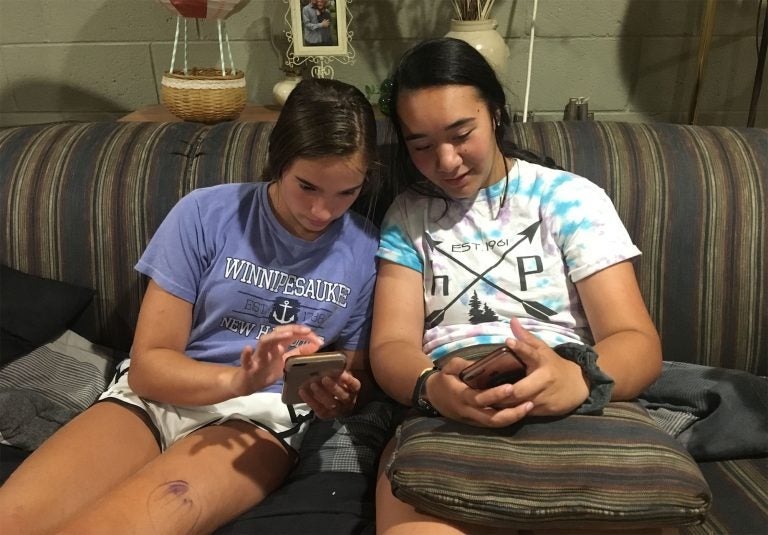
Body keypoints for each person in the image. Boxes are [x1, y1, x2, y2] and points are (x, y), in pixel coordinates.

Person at [0, 77, 380, 535]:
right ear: (279, 161)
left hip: (258, 418)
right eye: (307, 187)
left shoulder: (364, 249)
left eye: (347, 193)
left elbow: (353, 376)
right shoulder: (205, 213)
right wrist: (239, 376)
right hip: (160, 396)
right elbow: (149, 368)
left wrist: (336, 394)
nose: (323, 212)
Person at [370, 37, 663, 533]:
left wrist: (578, 380)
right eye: (420, 145)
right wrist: (429, 388)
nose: (445, 161)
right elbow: (391, 344)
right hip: (450, 406)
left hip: (572, 393)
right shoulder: (408, 216)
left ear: (496, 114)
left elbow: (637, 342)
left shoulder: (567, 198)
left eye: (462, 133)